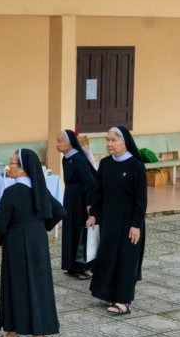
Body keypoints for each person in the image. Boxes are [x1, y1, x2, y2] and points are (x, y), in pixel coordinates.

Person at [0, 149, 65, 337]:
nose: (9, 166)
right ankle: (38, 336)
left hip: (16, 241)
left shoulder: (12, 192)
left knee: (15, 285)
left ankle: (12, 334)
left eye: (12, 163)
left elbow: (0, 223)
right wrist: (43, 226)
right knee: (38, 285)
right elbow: (59, 211)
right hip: (38, 241)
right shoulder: (39, 190)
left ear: (23, 169)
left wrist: (1, 239)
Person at [87, 126, 147, 315]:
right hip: (109, 218)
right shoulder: (105, 164)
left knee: (126, 259)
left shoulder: (136, 167)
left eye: (113, 140)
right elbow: (98, 192)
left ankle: (123, 300)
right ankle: (108, 293)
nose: (109, 144)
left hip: (129, 220)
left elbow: (141, 200)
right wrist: (93, 214)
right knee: (108, 255)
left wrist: (136, 225)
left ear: (125, 142)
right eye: (107, 140)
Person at [56, 130, 97, 280]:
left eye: (60, 141)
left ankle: (86, 268)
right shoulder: (66, 159)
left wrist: (89, 202)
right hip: (70, 197)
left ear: (70, 143)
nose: (57, 144)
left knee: (82, 230)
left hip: (81, 199)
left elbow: (89, 181)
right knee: (71, 229)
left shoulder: (79, 159)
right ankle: (73, 265)